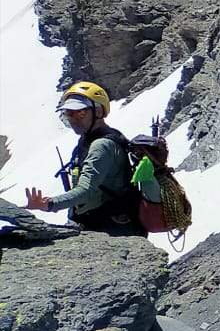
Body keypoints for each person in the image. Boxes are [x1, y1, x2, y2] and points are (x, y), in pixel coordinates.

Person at [24, 82, 143, 234]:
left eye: (80, 112)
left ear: (99, 112)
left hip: (110, 227)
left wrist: (49, 204)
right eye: (69, 113)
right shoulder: (91, 138)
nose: (73, 118)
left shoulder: (101, 145)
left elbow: (86, 190)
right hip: (104, 221)